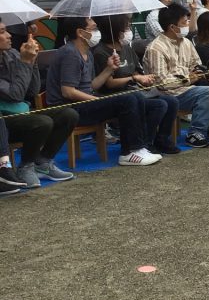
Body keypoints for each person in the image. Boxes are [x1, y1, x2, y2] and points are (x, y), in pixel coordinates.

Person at [47, 17, 163, 166]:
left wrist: (109, 69)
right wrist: (96, 100)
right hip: (69, 109)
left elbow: (92, 85)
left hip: (84, 102)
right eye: (93, 29)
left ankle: (139, 148)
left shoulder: (86, 53)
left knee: (137, 97)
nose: (97, 32)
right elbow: (68, 92)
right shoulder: (70, 53)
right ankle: (130, 152)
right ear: (80, 32)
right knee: (128, 99)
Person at [0, 23, 78, 187]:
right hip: (5, 120)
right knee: (42, 122)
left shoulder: (12, 54)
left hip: (22, 112)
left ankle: (42, 162)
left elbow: (33, 90)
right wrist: (26, 62)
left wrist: (33, 61)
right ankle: (25, 167)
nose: (9, 35)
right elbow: (15, 95)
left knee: (69, 115)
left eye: (7, 30)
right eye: (2, 32)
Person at [93, 14, 181, 154]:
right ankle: (145, 142)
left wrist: (144, 78)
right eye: (126, 28)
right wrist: (135, 79)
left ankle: (162, 139)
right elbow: (109, 84)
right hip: (117, 95)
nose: (129, 31)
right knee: (159, 105)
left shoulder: (127, 47)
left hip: (136, 90)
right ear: (115, 30)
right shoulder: (100, 52)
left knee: (172, 101)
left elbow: (136, 71)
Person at [143, 4, 209, 148]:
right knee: (206, 92)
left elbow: (196, 63)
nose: (188, 25)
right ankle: (195, 133)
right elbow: (161, 83)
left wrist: (199, 72)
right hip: (166, 94)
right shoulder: (156, 48)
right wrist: (188, 79)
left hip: (186, 89)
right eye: (184, 22)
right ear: (172, 27)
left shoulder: (186, 42)